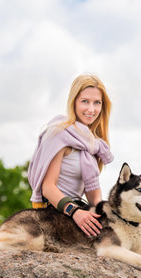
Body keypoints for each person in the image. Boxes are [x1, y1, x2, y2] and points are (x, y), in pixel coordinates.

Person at [28, 73, 113, 237]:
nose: (91, 109)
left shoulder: (91, 142)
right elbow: (48, 188)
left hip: (79, 208)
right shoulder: (59, 134)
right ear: (73, 102)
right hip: (56, 211)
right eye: (85, 101)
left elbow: (94, 195)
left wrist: (106, 215)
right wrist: (75, 212)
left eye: (97, 103)